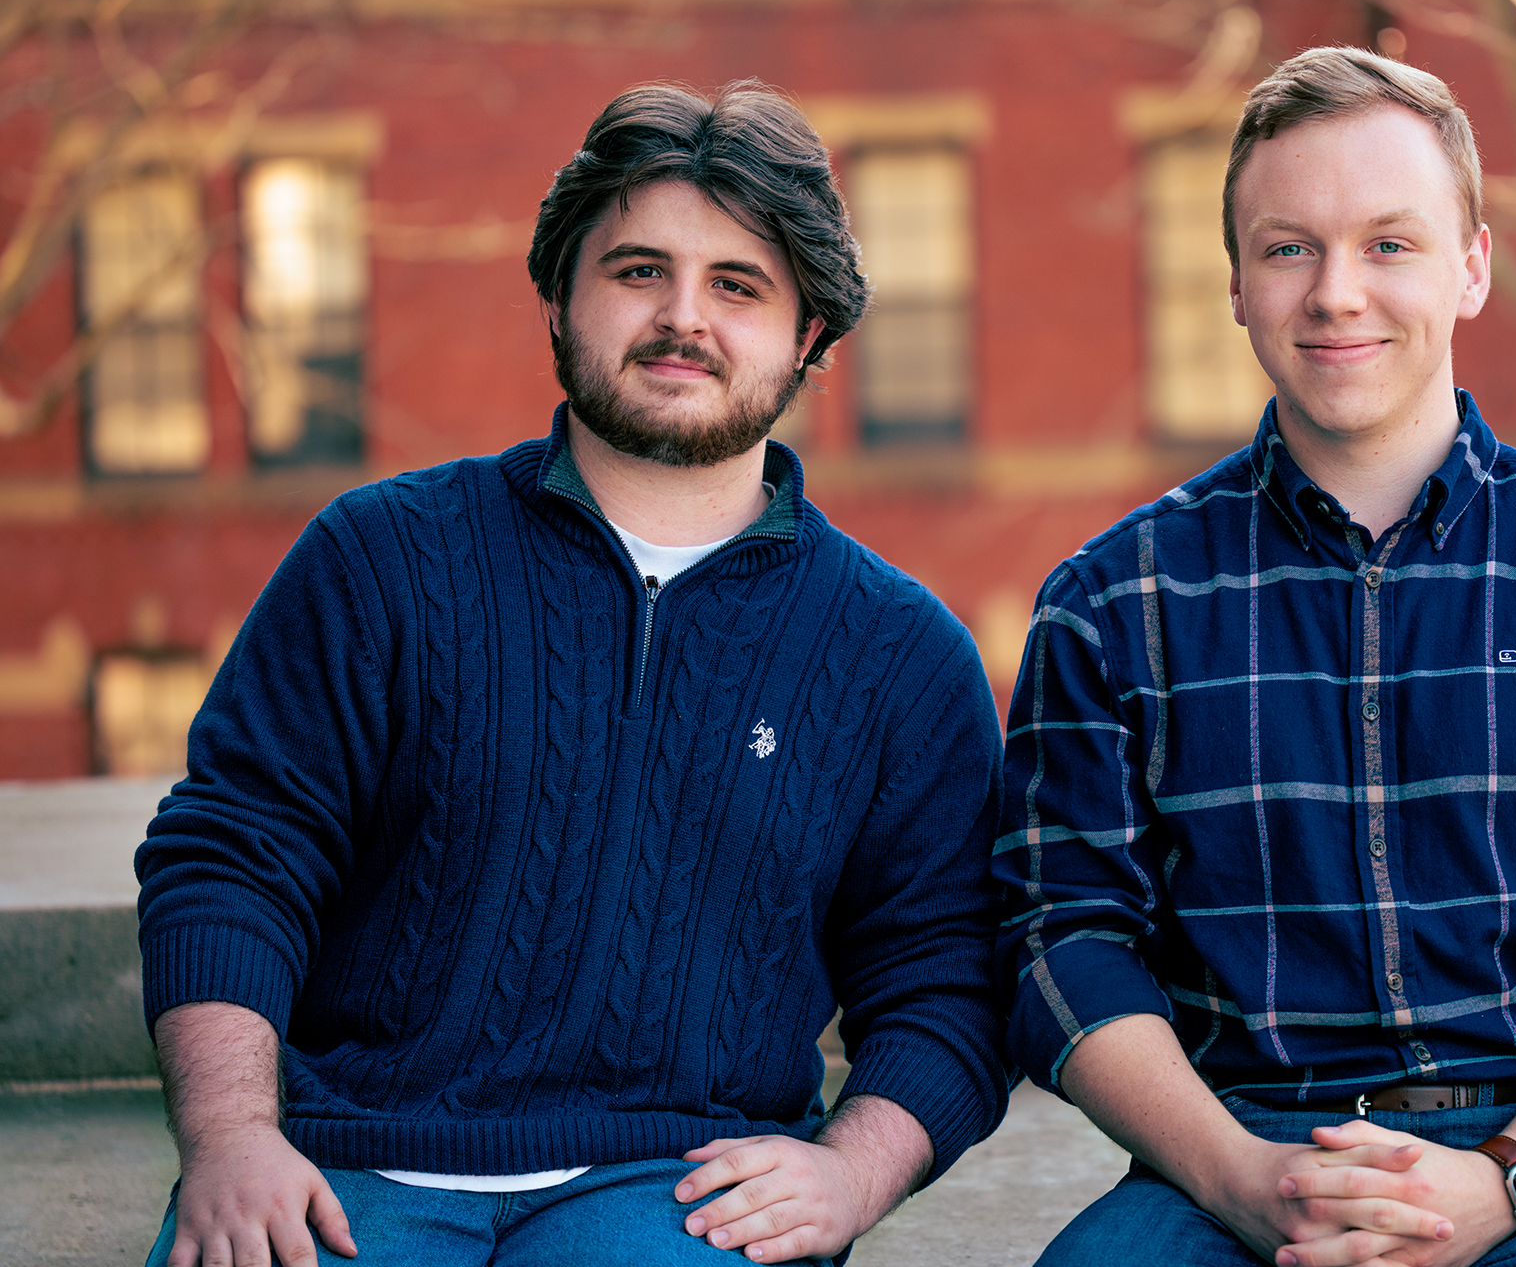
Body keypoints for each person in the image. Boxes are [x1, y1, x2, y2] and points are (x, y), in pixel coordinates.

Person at [136, 81, 1008, 1267]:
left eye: (738, 284)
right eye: (637, 269)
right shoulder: (382, 557)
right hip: (348, 1167)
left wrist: (851, 1170)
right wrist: (233, 1136)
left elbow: (947, 975)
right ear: (560, 293)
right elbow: (233, 856)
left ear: (812, 335)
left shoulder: (897, 650)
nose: (682, 316)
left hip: (686, 1186)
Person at [995, 47, 1516, 1267]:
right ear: (1240, 286)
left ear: (1471, 268)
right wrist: (1243, 1177)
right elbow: (1061, 937)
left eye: (1389, 245)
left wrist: (1502, 1179)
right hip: (1226, 1161)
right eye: (1290, 246)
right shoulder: (1110, 604)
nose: (1336, 292)